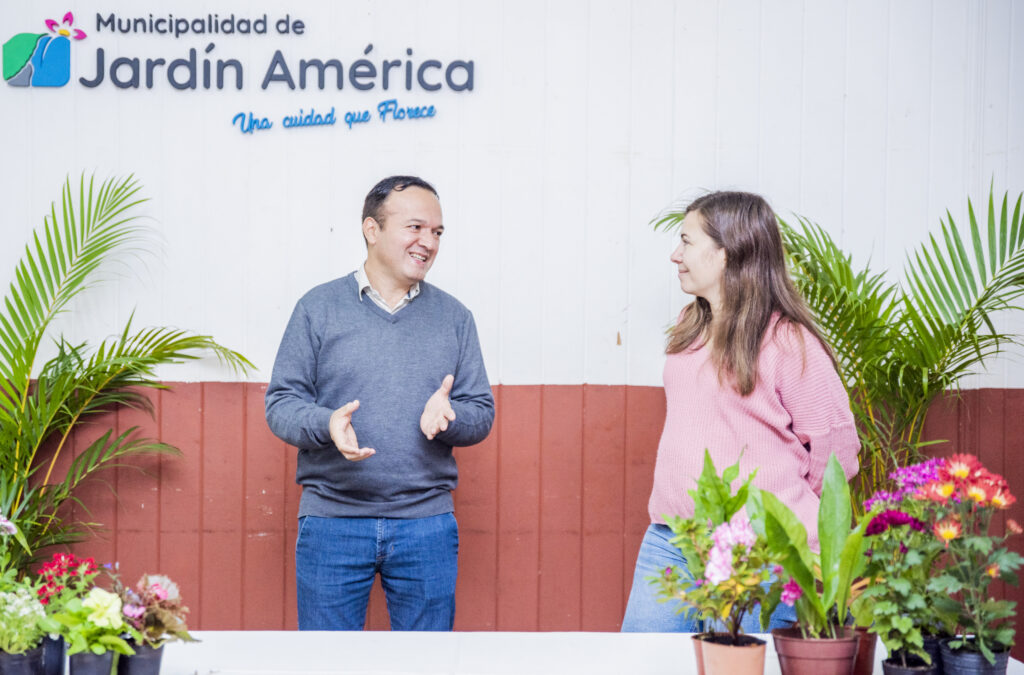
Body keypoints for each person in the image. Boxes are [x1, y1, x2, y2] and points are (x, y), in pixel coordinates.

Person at [621, 190, 859, 632]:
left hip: (764, 553)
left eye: (687, 242)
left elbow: (836, 455)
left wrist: (784, 511)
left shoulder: (791, 342)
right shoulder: (688, 326)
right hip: (674, 539)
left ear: (727, 253)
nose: (676, 255)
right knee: (642, 662)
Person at [265, 175, 495, 631]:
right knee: (329, 666)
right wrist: (325, 422)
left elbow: (480, 412)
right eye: (415, 228)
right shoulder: (317, 308)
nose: (428, 242)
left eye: (437, 232)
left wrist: (451, 419)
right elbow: (282, 403)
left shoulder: (454, 317)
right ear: (372, 230)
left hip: (426, 525)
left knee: (427, 667)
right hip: (331, 521)